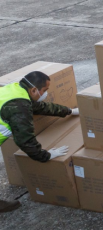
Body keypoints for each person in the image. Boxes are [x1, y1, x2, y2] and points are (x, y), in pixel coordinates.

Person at [0, 71, 79, 213]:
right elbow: (25, 140)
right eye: (45, 90)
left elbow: (41, 107)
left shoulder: (17, 90)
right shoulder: (19, 106)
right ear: (34, 90)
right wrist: (46, 156)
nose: (45, 94)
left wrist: (69, 111)